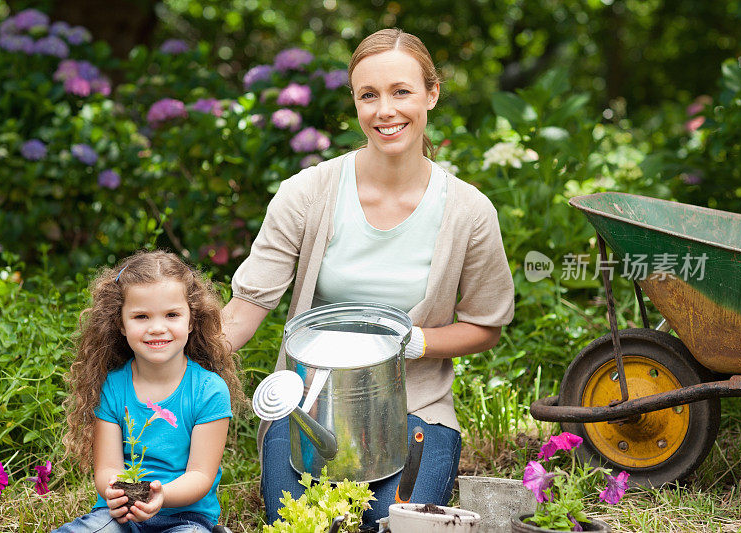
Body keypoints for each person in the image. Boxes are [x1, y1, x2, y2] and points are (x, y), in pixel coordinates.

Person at [223, 28, 515, 528]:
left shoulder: (469, 211)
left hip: (415, 408)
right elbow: (243, 312)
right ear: (355, 103)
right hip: (309, 409)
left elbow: (486, 326)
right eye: (369, 95)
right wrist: (165, 373)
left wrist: (407, 342)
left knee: (395, 524)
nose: (386, 111)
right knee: (305, 525)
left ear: (432, 93)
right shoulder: (307, 194)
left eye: (401, 91)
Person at [55, 250, 245, 533]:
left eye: (172, 315)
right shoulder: (112, 387)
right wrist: (116, 492)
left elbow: (200, 475)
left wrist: (161, 496)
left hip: (186, 518)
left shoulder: (208, 390)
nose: (157, 328)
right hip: (121, 516)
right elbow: (107, 468)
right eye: (141, 316)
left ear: (191, 321)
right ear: (120, 323)